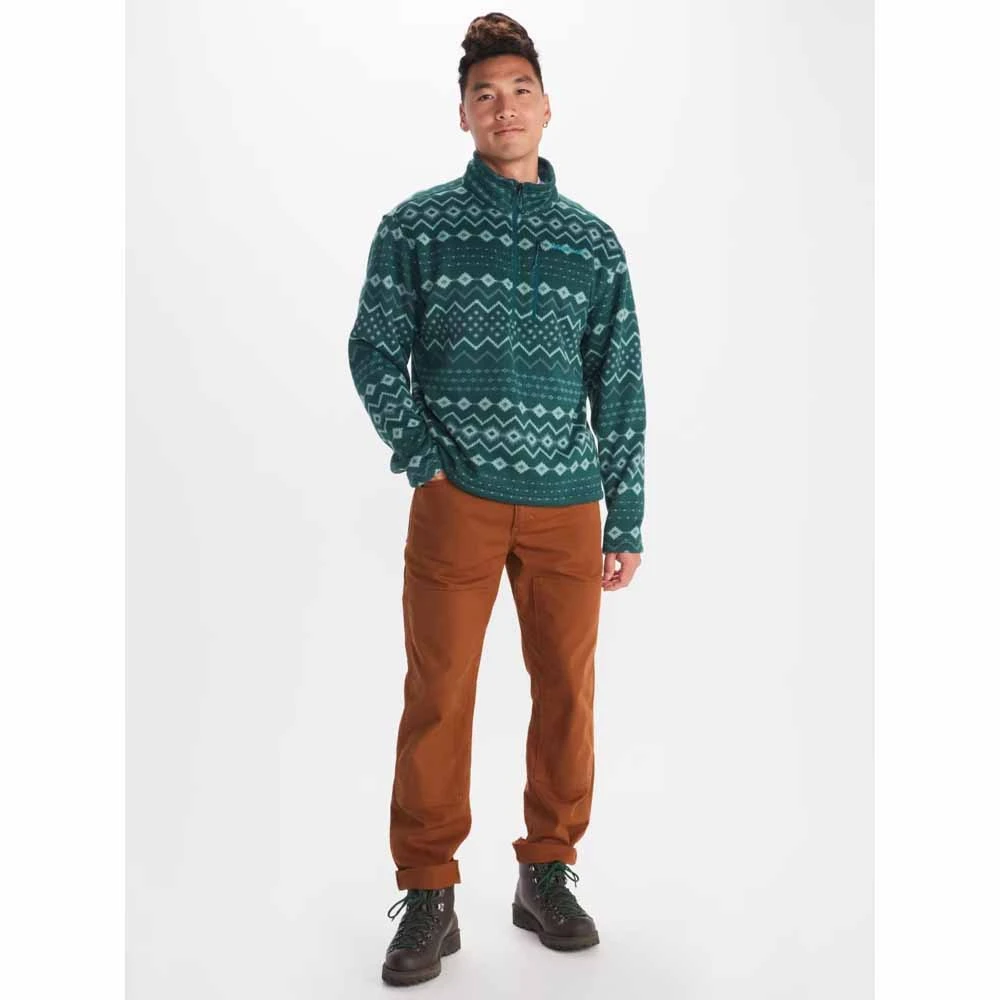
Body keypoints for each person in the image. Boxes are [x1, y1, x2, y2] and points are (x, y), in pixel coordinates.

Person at [347, 12, 646, 987]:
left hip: (567, 505)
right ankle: (429, 891)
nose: (503, 107)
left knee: (567, 693)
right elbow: (371, 347)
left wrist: (626, 513)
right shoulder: (417, 226)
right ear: (464, 115)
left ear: (547, 108)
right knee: (439, 695)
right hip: (456, 498)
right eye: (485, 94)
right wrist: (421, 455)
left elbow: (619, 379)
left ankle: (547, 870)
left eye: (520, 90)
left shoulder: (591, 243)